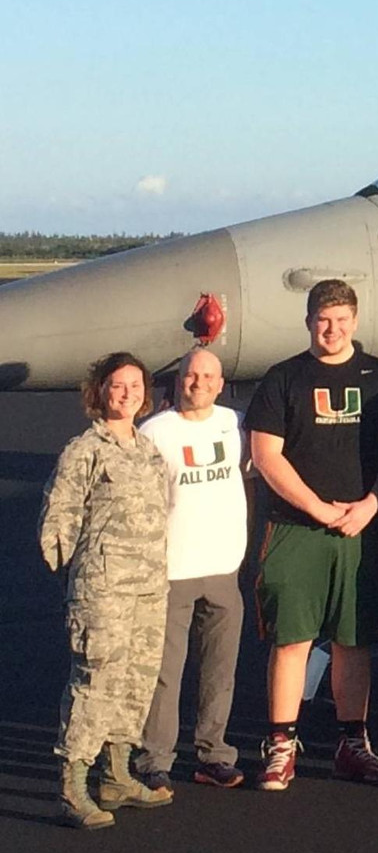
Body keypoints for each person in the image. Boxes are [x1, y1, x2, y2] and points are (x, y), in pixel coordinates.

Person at [246, 279, 378, 791]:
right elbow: (267, 455)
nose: (331, 330)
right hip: (295, 529)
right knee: (293, 640)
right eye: (322, 320)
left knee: (353, 642)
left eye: (341, 320)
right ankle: (281, 744)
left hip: (360, 527)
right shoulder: (283, 378)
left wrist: (372, 504)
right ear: (309, 321)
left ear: (355, 321)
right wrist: (316, 507)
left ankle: (352, 744)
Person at [41, 353, 173, 828]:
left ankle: (116, 776)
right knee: (95, 684)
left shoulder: (148, 450)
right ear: (100, 392)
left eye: (135, 385)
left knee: (135, 682)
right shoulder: (85, 450)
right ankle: (73, 786)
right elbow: (57, 524)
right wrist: (81, 583)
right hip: (104, 590)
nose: (127, 393)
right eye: (117, 385)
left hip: (148, 588)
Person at [136, 348, 247, 791]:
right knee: (165, 670)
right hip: (172, 568)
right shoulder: (155, 431)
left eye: (207, 376)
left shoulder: (234, 425)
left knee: (220, 668)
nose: (198, 382)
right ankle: (154, 758)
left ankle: (213, 753)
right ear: (178, 380)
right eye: (190, 375)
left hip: (224, 566)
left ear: (220, 384)